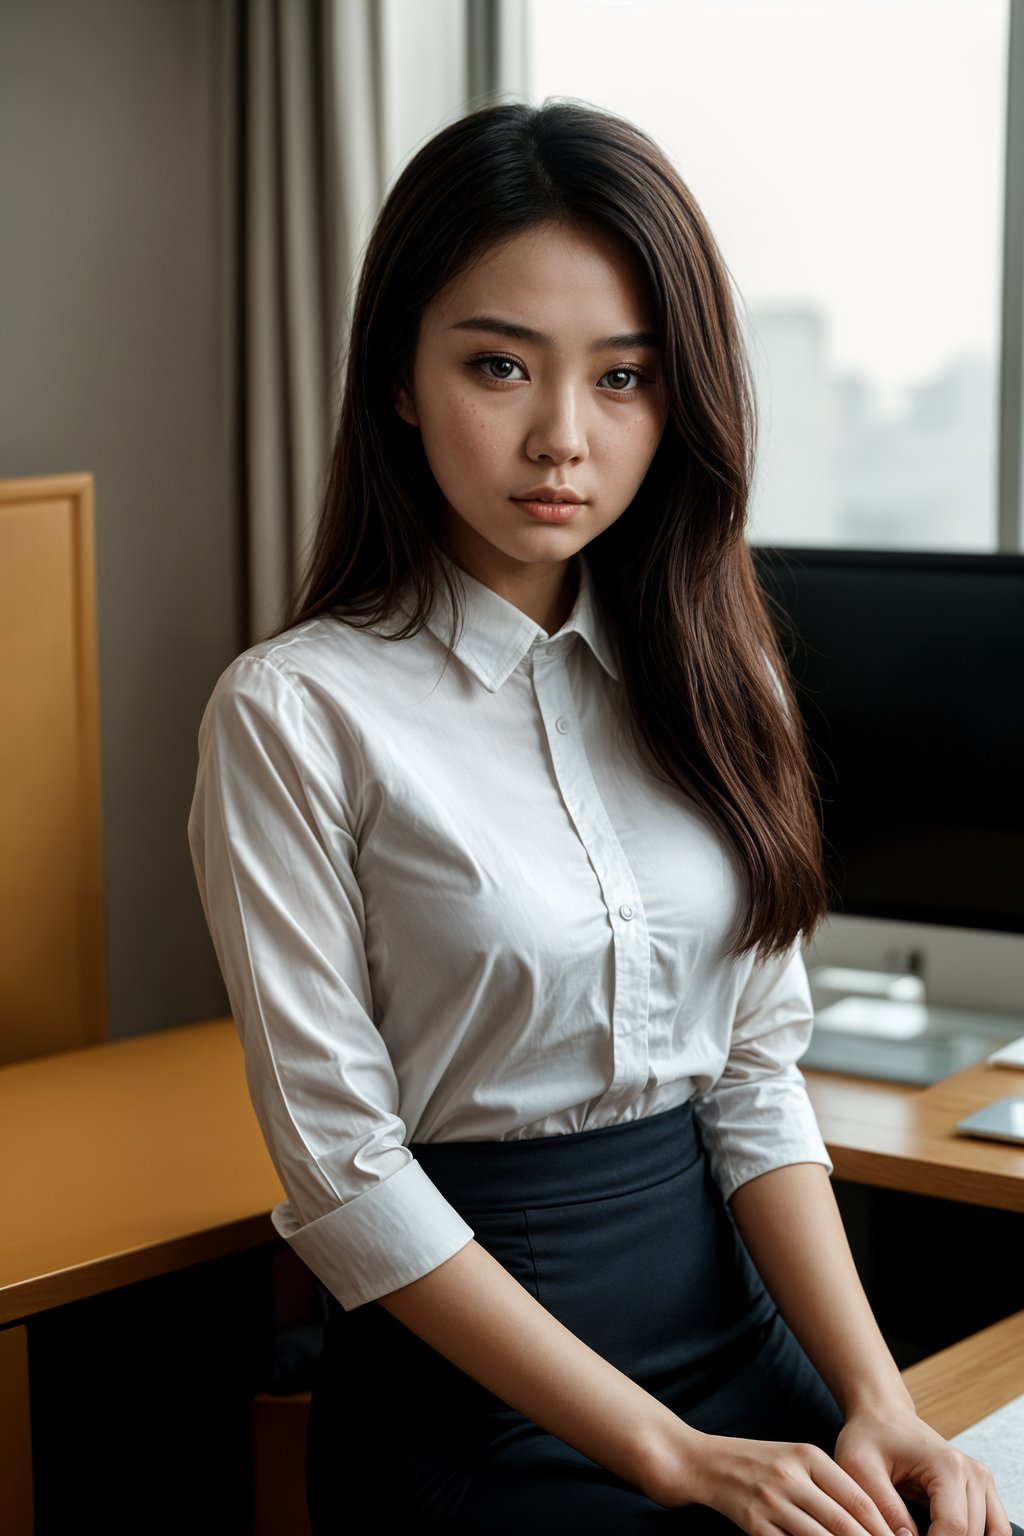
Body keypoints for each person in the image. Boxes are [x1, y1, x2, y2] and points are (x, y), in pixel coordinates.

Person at [188, 100, 1015, 1536]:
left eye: (624, 378)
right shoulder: (292, 712)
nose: (561, 438)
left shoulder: (718, 666)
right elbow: (345, 1177)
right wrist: (671, 1457)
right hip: (482, 1408)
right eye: (499, 365)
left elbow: (755, 1080)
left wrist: (879, 1400)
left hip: (746, 1356)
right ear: (396, 373)